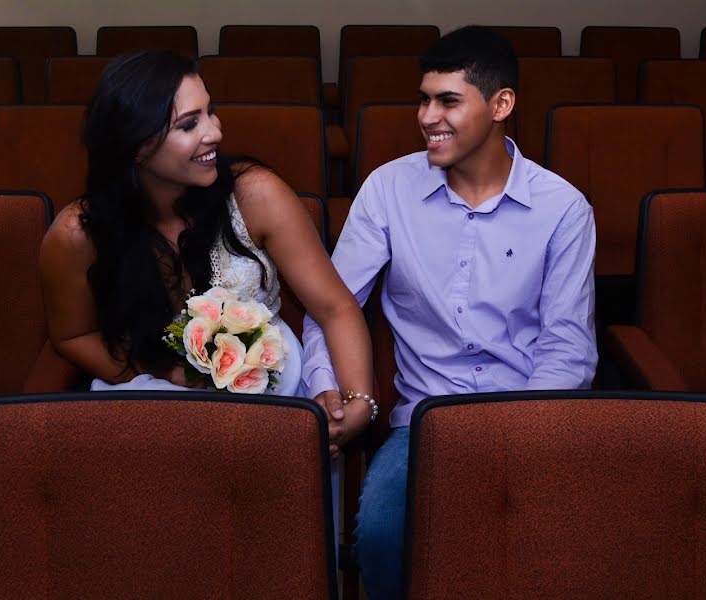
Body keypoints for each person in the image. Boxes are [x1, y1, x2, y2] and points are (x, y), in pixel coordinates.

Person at [302, 26, 598, 598]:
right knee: (385, 535)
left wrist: (515, 438)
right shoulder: (387, 190)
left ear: (501, 105)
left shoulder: (563, 208)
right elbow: (329, 306)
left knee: (547, 545)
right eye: (423, 98)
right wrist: (325, 389)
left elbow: (567, 348)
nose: (427, 116)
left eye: (448, 101)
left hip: (527, 418)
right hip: (423, 424)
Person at [39, 50, 372, 455]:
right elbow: (72, 335)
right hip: (151, 389)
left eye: (210, 112)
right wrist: (170, 373)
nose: (215, 131)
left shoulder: (256, 194)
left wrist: (358, 400)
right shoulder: (77, 234)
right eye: (189, 124)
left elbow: (335, 307)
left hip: (269, 386)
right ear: (136, 147)